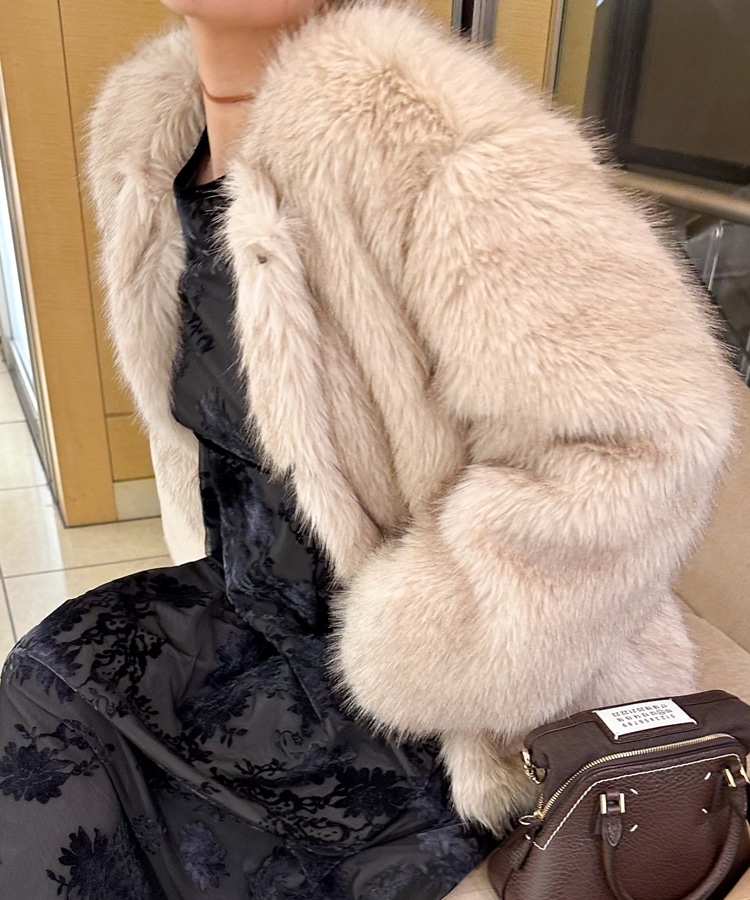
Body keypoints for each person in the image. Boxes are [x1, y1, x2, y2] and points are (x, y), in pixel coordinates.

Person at [0, 0, 735, 897]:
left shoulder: (439, 144)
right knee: (51, 687)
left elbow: (645, 438)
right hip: (253, 622)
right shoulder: (148, 146)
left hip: (448, 712)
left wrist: (426, 647)